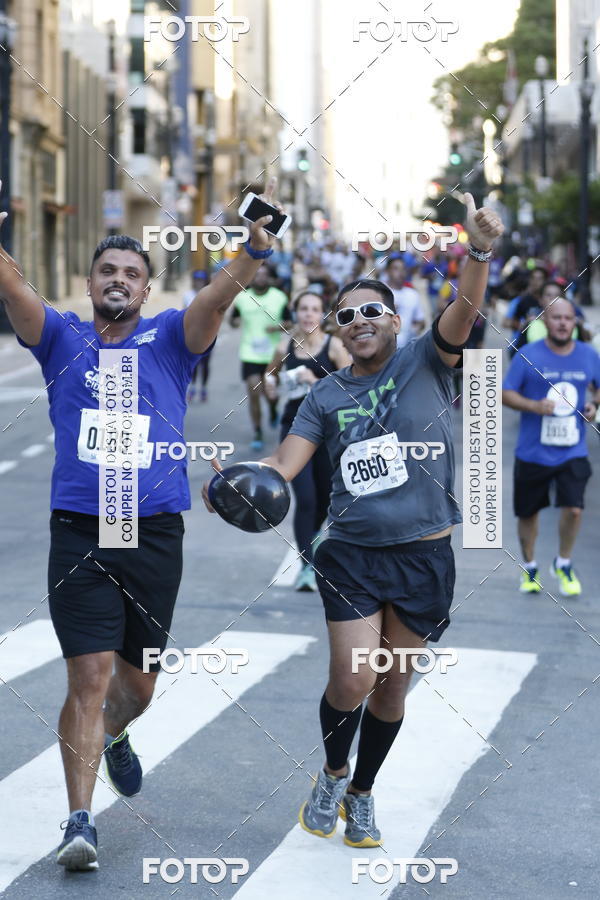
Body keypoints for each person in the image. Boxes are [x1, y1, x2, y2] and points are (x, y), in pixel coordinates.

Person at [0, 176, 284, 871]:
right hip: (80, 529)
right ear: (91, 285)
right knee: (88, 678)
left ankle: (115, 737)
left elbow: (220, 293)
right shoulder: (61, 337)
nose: (118, 279)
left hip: (151, 529)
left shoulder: (170, 339)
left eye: (132, 272)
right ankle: (79, 820)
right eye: (107, 271)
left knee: (138, 689)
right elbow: (12, 289)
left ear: (146, 290)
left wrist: (252, 246)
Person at [204, 194, 504, 847]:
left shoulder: (428, 358)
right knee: (354, 678)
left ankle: (362, 793)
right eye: (347, 315)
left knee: (392, 693)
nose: (360, 320)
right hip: (352, 554)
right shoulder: (324, 394)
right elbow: (286, 465)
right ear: (336, 331)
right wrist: (238, 481)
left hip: (425, 555)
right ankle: (333, 773)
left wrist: (478, 251)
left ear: (394, 321)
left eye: (373, 311)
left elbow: (465, 307)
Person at [502, 298, 600, 597]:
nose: (562, 323)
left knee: (573, 509)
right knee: (529, 513)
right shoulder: (528, 355)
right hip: (532, 452)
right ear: (545, 321)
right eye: (556, 318)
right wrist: (533, 405)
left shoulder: (588, 355)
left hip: (572, 450)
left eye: (567, 318)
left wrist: (593, 405)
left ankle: (564, 562)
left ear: (575, 322)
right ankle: (530, 566)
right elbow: (505, 393)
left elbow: (598, 389)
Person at [265, 291, 350, 591]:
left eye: (315, 309)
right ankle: (306, 566)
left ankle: (314, 546)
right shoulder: (284, 345)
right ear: (296, 312)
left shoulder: (335, 346)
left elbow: (355, 385)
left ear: (323, 314)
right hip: (295, 429)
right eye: (304, 309)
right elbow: (270, 375)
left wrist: (319, 384)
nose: (309, 315)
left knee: (325, 500)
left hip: (329, 432)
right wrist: (271, 390)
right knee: (306, 498)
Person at [230, 263, 290, 450]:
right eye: (257, 274)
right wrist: (235, 322)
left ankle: (273, 410)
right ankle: (257, 431)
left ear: (270, 278)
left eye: (264, 274)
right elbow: (233, 320)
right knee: (254, 392)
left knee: (270, 393)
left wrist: (277, 327)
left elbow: (290, 323)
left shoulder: (279, 298)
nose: (260, 278)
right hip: (249, 353)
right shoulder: (242, 298)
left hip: (273, 355)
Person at [382, 255, 425, 348]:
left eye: (403, 269)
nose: (400, 272)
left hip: (406, 351)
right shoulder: (379, 292)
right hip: (383, 349)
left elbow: (421, 321)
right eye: (396, 269)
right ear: (387, 271)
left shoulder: (413, 294)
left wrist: (416, 329)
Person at [183, 269, 211, 402]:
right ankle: (192, 387)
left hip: (207, 334)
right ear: (193, 281)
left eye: (201, 280)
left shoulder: (209, 295)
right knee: (193, 363)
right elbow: (183, 313)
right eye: (197, 280)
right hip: (191, 334)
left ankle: (203, 388)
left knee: (205, 363)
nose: (199, 282)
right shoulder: (188, 295)